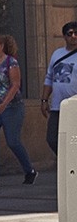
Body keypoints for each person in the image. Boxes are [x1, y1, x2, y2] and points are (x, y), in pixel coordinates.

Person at [0, 33, 36, 187]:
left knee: (13, 141)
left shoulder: (11, 63)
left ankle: (29, 170)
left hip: (12, 107)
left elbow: (15, 85)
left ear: (1, 46)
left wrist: (4, 104)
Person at [40, 21, 77, 156]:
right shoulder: (57, 54)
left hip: (74, 106)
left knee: (73, 139)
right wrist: (44, 100)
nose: (73, 36)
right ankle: (67, 162)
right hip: (57, 106)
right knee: (52, 139)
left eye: (76, 33)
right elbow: (49, 77)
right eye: (70, 33)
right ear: (64, 36)